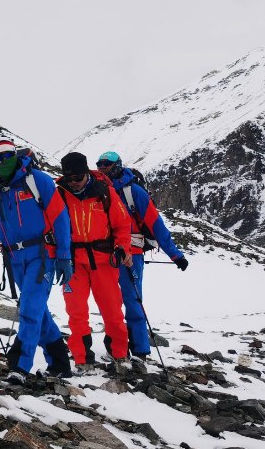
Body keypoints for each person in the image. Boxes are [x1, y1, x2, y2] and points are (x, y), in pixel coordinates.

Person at [0, 139, 73, 383]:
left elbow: (60, 218)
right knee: (38, 311)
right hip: (13, 258)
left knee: (30, 308)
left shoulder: (38, 181)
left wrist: (64, 255)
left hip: (41, 253)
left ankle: (19, 365)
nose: (4, 162)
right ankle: (59, 362)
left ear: (16, 155)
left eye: (7, 156)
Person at [96, 151, 188, 361]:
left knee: (133, 300)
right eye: (99, 164)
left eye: (106, 164)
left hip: (132, 254)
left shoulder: (133, 191)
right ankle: (115, 346)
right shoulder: (100, 190)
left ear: (117, 165)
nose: (102, 168)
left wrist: (175, 255)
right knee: (111, 302)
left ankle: (140, 350)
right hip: (106, 254)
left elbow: (156, 224)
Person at [57, 152, 132, 371]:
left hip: (104, 261)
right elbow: (51, 228)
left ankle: (119, 354)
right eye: (69, 179)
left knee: (112, 311)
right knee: (76, 312)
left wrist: (122, 248)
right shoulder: (60, 194)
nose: (73, 183)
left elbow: (122, 225)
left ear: (86, 173)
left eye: (77, 178)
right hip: (73, 262)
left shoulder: (105, 193)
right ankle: (81, 358)